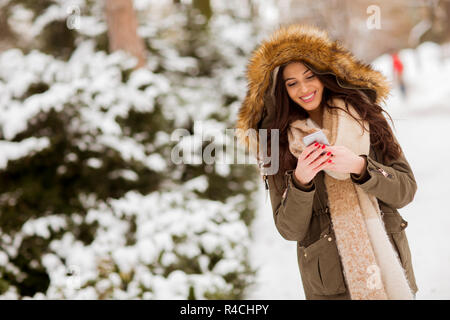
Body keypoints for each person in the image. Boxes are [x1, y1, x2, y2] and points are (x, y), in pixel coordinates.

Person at [236, 25, 418, 300]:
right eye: (292, 82)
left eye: (310, 76)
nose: (304, 88)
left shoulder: (367, 118)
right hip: (332, 288)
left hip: (388, 271)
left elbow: (405, 190)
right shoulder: (275, 143)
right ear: (281, 90)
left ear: (325, 75)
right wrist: (301, 181)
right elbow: (289, 229)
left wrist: (360, 167)